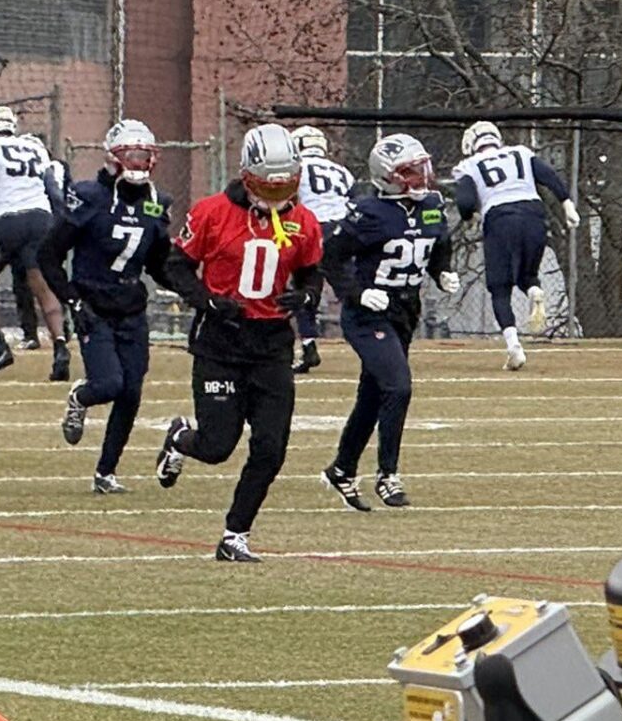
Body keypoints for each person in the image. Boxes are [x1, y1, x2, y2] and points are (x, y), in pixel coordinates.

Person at [154, 123, 324, 562]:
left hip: (270, 344)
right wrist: (207, 300)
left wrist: (305, 296)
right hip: (222, 342)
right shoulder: (212, 212)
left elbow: (312, 271)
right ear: (248, 176)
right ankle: (179, 440)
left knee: (271, 446)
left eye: (285, 183)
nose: (278, 192)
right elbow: (176, 267)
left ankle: (235, 535)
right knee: (216, 446)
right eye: (269, 184)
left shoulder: (303, 220)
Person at [318, 133, 456, 510]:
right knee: (398, 387)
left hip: (405, 310)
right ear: (387, 176)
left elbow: (439, 242)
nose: (421, 177)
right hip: (368, 314)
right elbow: (329, 258)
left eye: (421, 168)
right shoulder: (369, 213)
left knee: (373, 394)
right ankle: (387, 474)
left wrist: (442, 271)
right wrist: (356, 293)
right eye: (410, 171)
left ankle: (342, 469)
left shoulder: (431, 205)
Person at [43, 120, 177, 493]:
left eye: (144, 155)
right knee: (108, 384)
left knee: (131, 391)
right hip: (93, 303)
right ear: (113, 157)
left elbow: (159, 264)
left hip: (131, 305)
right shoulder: (89, 197)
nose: (138, 162)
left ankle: (106, 472)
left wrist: (194, 288)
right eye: (131, 154)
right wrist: (72, 300)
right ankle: (80, 397)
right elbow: (49, 254)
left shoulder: (156, 203)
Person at [451, 121, 578, 371]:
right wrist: (566, 203)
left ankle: (514, 347)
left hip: (500, 218)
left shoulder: (468, 165)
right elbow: (549, 176)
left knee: (500, 288)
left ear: (471, 144)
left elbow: (465, 202)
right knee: (527, 274)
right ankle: (533, 291)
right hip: (533, 214)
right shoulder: (521, 152)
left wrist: (469, 217)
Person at [0, 106, 72, 380]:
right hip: (40, 217)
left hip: (5, 219)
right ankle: (61, 347)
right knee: (42, 285)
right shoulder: (35, 148)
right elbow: (51, 187)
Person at [288, 124, 359, 373]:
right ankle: (374, 340)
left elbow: (287, 201)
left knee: (304, 290)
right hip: (342, 231)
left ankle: (308, 346)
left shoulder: (295, 168)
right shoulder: (343, 171)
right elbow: (355, 204)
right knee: (352, 293)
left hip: (311, 229)